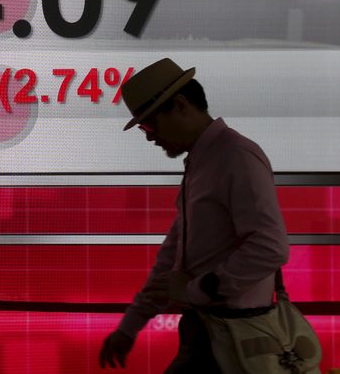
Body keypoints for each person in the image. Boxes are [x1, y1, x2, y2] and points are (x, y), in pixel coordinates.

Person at [99, 58, 290, 372]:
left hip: (234, 337)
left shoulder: (235, 156)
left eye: (149, 124)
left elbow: (271, 247)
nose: (149, 136)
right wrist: (129, 327)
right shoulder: (203, 163)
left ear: (180, 105)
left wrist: (195, 290)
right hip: (211, 334)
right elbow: (172, 257)